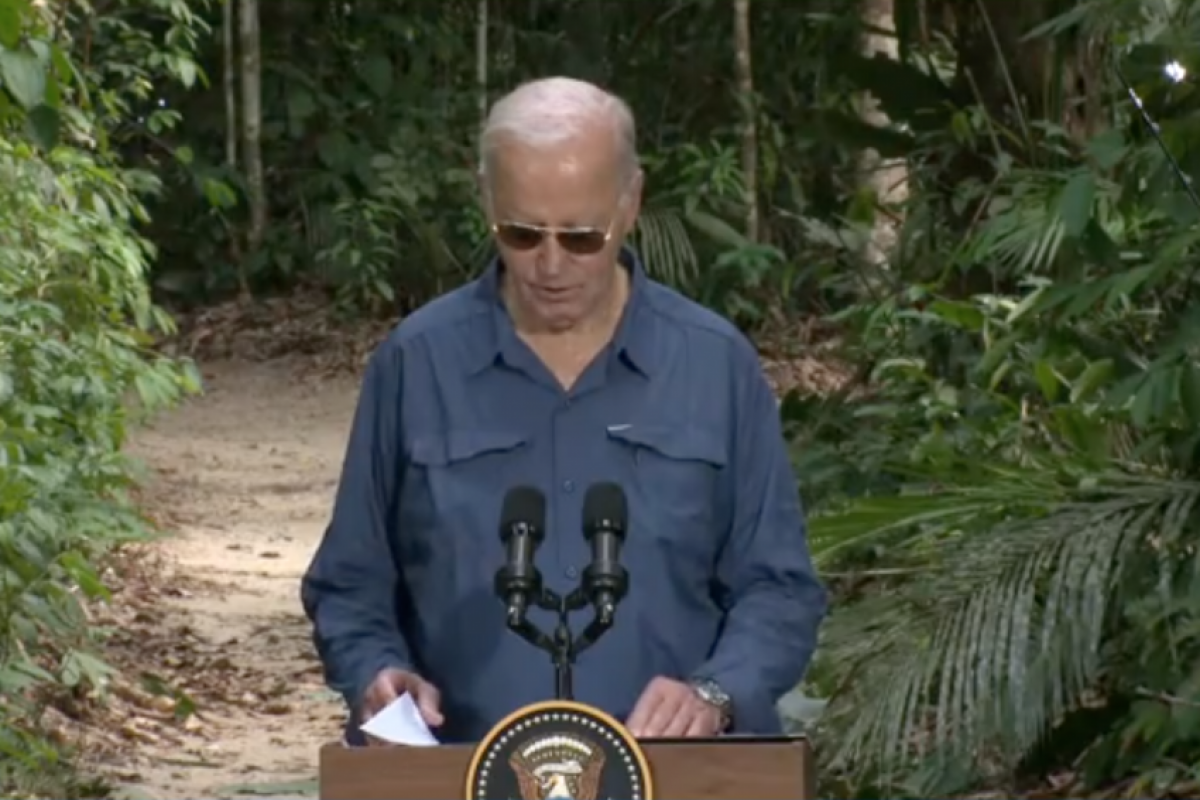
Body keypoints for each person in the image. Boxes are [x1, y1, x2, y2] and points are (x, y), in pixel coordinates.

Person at [299, 76, 828, 745]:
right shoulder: (416, 364)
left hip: (680, 776)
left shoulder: (714, 365)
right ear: (485, 198)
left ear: (631, 202)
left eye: (582, 236)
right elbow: (350, 582)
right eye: (521, 234)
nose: (550, 265)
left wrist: (716, 692)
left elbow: (780, 587)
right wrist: (377, 670)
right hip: (465, 774)